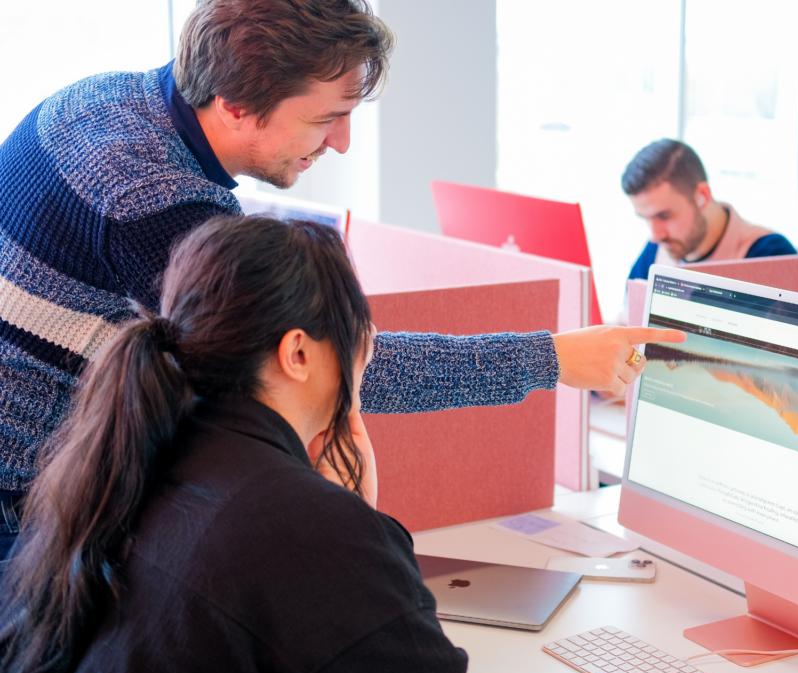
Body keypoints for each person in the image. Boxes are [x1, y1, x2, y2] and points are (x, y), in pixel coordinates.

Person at [0, 0, 684, 545]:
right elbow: (335, 370)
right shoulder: (156, 199)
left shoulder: (106, 102)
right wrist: (552, 358)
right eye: (328, 118)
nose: (342, 142)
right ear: (235, 102)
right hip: (24, 506)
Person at [0, 215, 470, 673]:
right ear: (298, 353)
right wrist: (357, 522)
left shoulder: (127, 461)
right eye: (358, 340)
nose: (361, 363)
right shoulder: (304, 525)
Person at [622, 139, 798, 281]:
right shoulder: (655, 252)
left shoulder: (770, 255)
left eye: (664, 216)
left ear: (703, 196)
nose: (655, 236)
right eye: (645, 218)